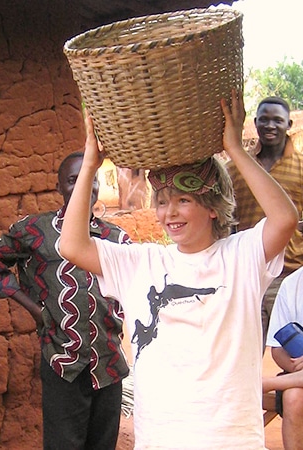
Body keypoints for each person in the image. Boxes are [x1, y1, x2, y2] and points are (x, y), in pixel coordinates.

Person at [59, 90, 298, 449]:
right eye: (162, 202)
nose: (168, 213)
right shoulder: (142, 262)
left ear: (213, 207)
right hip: (162, 439)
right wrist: (90, 164)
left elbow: (284, 218)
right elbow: (72, 245)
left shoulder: (241, 255)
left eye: (183, 201)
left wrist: (234, 150)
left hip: (231, 441)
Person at [0, 152, 131, 450]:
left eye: (91, 179)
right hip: (63, 362)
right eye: (74, 180)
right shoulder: (37, 231)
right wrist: (34, 309)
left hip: (109, 363)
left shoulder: (116, 238)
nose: (86, 186)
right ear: (59, 187)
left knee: (103, 444)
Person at [226, 96, 303, 347]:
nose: (271, 125)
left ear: (288, 124)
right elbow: (227, 219)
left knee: (293, 351)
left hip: (289, 275)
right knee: (245, 349)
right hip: (249, 273)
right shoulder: (235, 169)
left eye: (277, 120)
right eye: (265, 119)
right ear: (255, 122)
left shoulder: (301, 166)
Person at [265, 265, 303, 449]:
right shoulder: (292, 284)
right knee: (293, 397)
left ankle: (265, 384)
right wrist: (296, 365)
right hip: (299, 374)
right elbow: (277, 349)